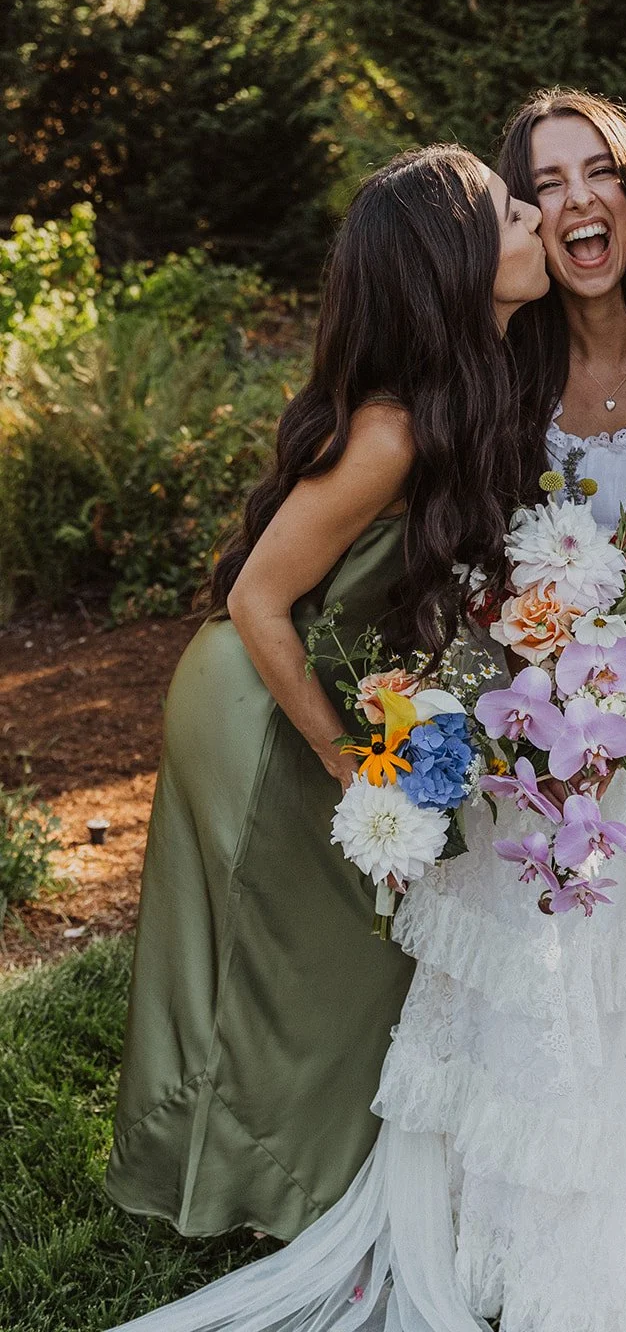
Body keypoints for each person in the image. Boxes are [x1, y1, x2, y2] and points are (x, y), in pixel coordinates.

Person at [106, 146, 548, 1243]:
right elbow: (262, 601)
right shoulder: (392, 430)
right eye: (509, 208)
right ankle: (248, 1190)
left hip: (327, 694)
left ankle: (286, 1175)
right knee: (281, 954)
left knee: (330, 954)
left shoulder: (469, 391)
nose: (538, 214)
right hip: (263, 705)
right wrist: (347, 763)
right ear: (454, 260)